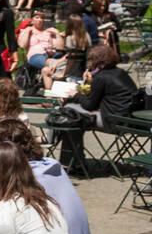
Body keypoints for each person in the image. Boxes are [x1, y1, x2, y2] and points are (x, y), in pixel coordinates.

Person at [57, 43, 137, 171]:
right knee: (73, 117)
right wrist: (89, 83)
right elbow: (97, 98)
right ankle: (76, 163)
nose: (88, 63)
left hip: (112, 121)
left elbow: (89, 105)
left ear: (97, 60)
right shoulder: (120, 72)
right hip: (129, 119)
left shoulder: (101, 77)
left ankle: (53, 144)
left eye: (90, 59)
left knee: (69, 114)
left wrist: (75, 94)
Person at [41, 15, 91, 89]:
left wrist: (63, 73)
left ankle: (50, 97)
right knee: (49, 61)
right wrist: (57, 63)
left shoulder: (70, 39)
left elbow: (71, 58)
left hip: (72, 70)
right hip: (83, 66)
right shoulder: (87, 36)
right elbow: (71, 54)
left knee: (45, 70)